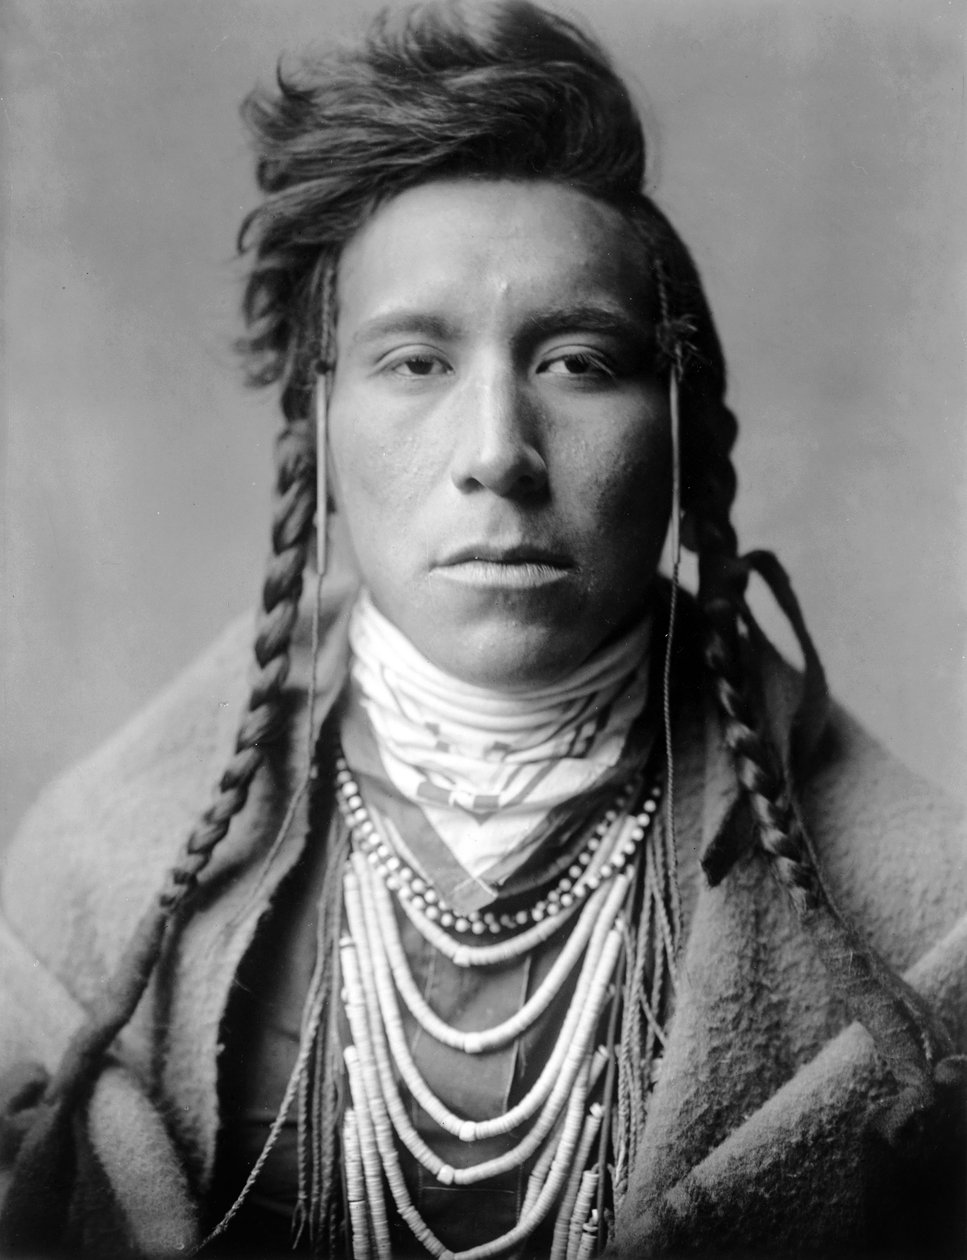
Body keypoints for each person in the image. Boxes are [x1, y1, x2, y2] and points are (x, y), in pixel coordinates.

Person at [0, 3, 964, 1257]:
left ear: (681, 430)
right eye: (414, 364)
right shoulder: (86, 891)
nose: (497, 453)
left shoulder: (918, 922)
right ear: (320, 427)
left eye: (577, 361)